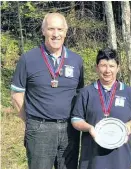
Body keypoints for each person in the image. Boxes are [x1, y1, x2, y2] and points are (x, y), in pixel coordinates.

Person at [10, 13, 84, 169]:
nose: (56, 34)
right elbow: (17, 96)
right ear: (43, 31)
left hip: (70, 130)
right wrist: (33, 123)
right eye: (51, 29)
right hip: (39, 129)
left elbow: (79, 94)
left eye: (60, 29)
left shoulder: (76, 60)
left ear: (66, 31)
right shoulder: (28, 59)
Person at [71, 48, 131, 169]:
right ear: (97, 67)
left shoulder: (129, 92)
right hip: (92, 156)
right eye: (103, 65)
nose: (107, 70)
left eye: (111, 66)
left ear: (118, 68)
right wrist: (89, 128)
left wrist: (129, 125)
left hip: (120, 156)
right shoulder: (86, 92)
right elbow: (76, 119)